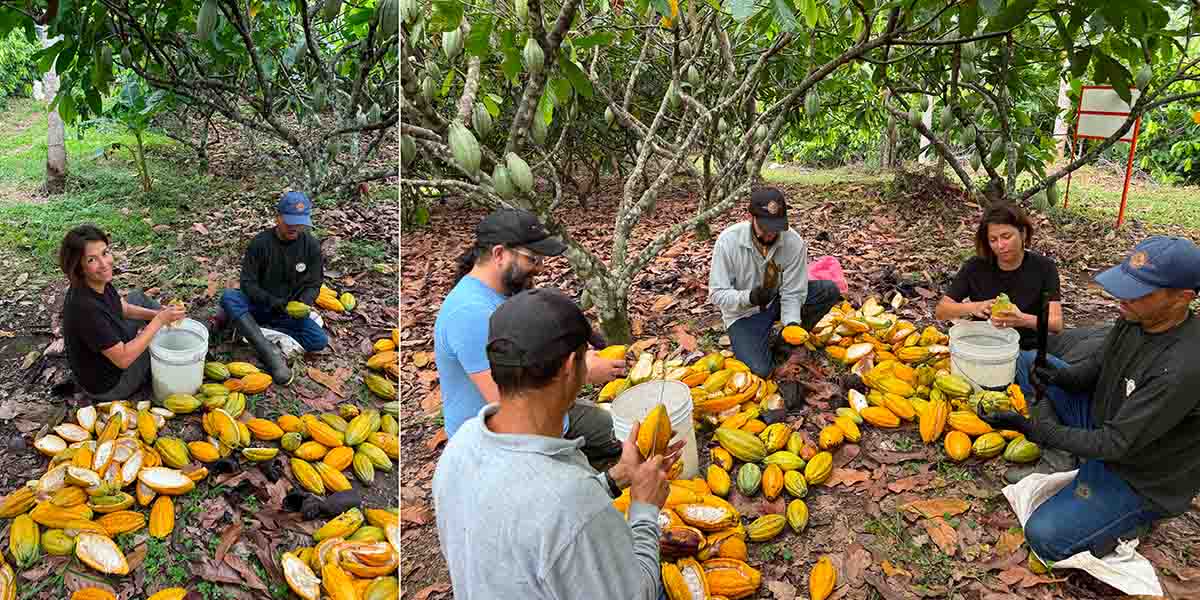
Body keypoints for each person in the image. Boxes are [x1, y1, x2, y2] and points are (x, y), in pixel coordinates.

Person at [433, 288, 678, 599]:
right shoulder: (571, 501)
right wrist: (644, 508)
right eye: (587, 355)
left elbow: (530, 524)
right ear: (569, 367)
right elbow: (635, 593)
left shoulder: (461, 445)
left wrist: (616, 478)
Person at [981, 236, 1200, 564]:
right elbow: (1098, 366)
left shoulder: (1181, 367)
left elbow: (1114, 444)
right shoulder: (1135, 317)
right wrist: (1058, 377)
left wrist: (1031, 427)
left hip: (1138, 472)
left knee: (1045, 537)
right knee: (1029, 363)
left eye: (1140, 291)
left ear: (1182, 298)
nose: (1121, 297)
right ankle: (1066, 457)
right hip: (1106, 421)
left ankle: (1133, 519)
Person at [434, 208, 627, 460]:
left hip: (535, 408)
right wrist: (582, 372)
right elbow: (510, 405)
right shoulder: (471, 315)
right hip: (499, 442)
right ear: (499, 254)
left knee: (611, 428)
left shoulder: (502, 291)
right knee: (610, 455)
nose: (540, 268)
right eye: (532, 259)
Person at [934, 203, 1106, 363]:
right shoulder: (976, 266)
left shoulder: (1043, 268)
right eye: (993, 240)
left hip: (1031, 346)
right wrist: (975, 307)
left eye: (1006, 236)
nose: (1000, 245)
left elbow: (1055, 323)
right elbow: (942, 311)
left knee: (1097, 342)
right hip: (985, 345)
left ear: (1022, 233)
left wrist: (1021, 319)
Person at [708, 187, 842, 378]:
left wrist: (792, 325)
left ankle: (784, 344)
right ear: (750, 218)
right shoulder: (728, 242)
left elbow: (793, 292)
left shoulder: (793, 243)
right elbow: (717, 293)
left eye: (776, 228)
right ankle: (757, 338)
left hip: (777, 301)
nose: (771, 234)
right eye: (765, 228)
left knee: (828, 290)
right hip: (744, 314)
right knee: (760, 371)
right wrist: (750, 297)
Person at [59, 225, 187, 402]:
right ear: (79, 267)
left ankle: (175, 327)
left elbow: (123, 308)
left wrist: (159, 313)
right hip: (111, 385)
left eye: (105, 253)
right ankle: (182, 344)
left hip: (107, 354)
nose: (104, 264)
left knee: (137, 298)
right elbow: (124, 359)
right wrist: (158, 322)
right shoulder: (86, 309)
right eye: (91, 260)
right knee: (157, 342)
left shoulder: (95, 281)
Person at [213, 192, 328, 384]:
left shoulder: (311, 246)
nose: (294, 227)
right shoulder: (261, 243)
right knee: (229, 297)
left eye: (299, 222)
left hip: (288, 313)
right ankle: (268, 352)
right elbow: (247, 284)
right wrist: (272, 302)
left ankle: (251, 329)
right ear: (278, 217)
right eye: (289, 221)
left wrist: (303, 303)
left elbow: (314, 283)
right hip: (260, 305)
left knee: (318, 341)